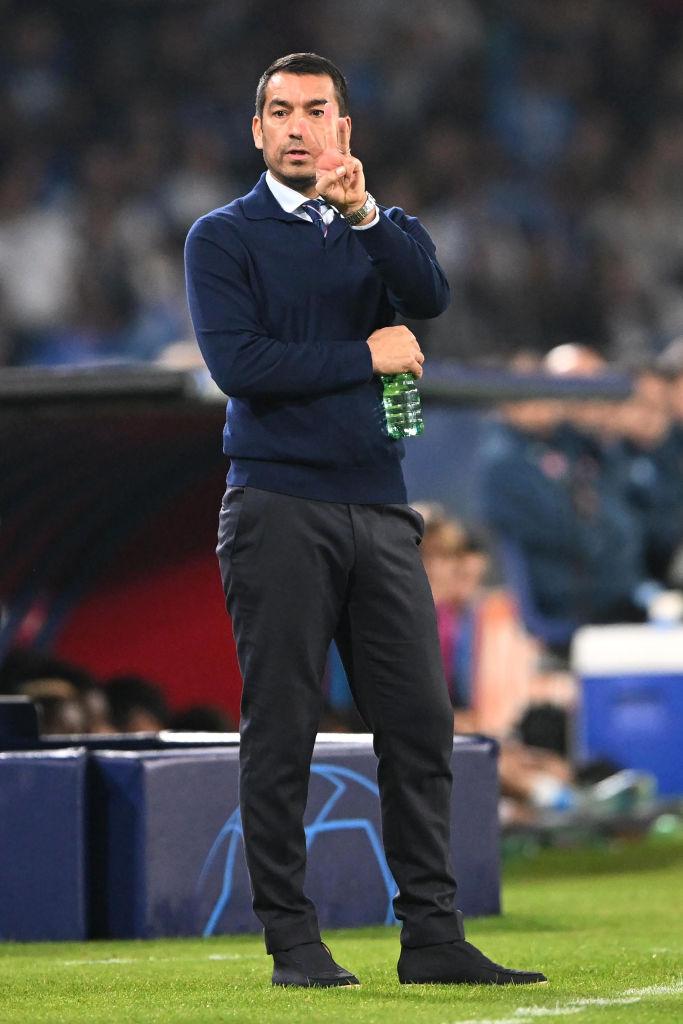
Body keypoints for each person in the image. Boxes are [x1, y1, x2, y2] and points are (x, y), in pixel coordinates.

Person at [184, 52, 545, 989]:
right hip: (276, 505)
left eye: (315, 110)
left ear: (344, 128)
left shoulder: (380, 227)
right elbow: (241, 367)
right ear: (257, 131)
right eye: (279, 111)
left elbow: (429, 297)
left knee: (419, 722)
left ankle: (431, 935)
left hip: (380, 507)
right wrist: (365, 354)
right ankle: (292, 941)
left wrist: (367, 217)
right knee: (283, 726)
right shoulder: (222, 237)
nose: (297, 126)